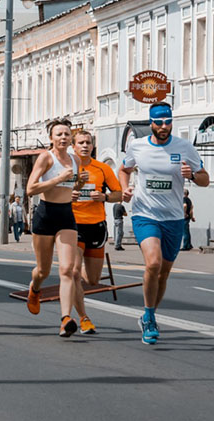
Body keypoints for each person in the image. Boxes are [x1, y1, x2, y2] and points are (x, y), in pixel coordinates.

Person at [119, 102, 208, 345]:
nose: (164, 126)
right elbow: (124, 169)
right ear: (151, 123)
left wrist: (191, 174)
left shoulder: (184, 147)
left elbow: (205, 179)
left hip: (173, 218)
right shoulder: (137, 146)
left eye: (168, 122)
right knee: (154, 263)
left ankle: (150, 313)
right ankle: (148, 317)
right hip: (145, 214)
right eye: (159, 122)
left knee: (164, 273)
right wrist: (124, 188)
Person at [25, 119, 85, 338]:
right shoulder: (45, 158)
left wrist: (79, 182)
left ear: (71, 138)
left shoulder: (75, 159)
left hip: (66, 215)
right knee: (43, 270)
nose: (63, 138)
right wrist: (59, 177)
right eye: (58, 134)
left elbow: (72, 185)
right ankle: (35, 288)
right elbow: (30, 189)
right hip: (46, 214)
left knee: (67, 269)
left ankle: (65, 319)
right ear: (51, 138)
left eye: (66, 134)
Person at [70, 130, 122, 335]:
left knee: (92, 280)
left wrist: (105, 197)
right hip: (72, 224)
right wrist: (70, 193)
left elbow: (118, 194)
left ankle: (72, 285)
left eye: (88, 142)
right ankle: (83, 318)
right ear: (73, 146)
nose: (85, 146)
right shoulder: (68, 168)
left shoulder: (101, 169)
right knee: (74, 272)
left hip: (97, 226)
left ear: (93, 146)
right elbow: (54, 192)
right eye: (81, 142)